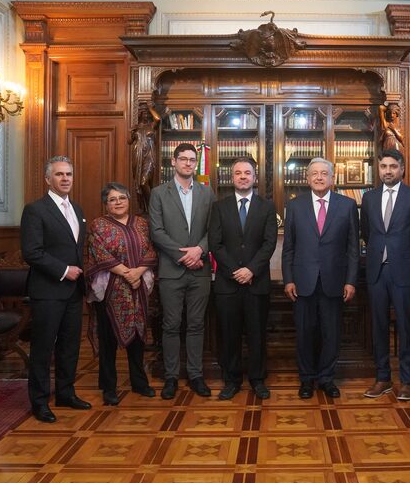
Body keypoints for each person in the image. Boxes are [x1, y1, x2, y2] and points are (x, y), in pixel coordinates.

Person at [20, 155, 90, 423]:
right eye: (59, 174)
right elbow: (32, 252)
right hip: (48, 290)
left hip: (74, 292)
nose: (65, 178)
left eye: (69, 174)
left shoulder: (78, 210)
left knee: (70, 347)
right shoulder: (35, 210)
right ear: (48, 179)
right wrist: (64, 270)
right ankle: (39, 402)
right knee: (43, 348)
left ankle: (65, 393)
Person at [282, 157, 359, 399]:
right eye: (314, 173)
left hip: (334, 281)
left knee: (331, 333)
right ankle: (306, 379)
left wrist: (351, 280)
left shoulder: (347, 206)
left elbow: (353, 248)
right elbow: (289, 248)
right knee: (305, 333)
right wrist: (288, 279)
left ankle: (326, 378)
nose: (319, 177)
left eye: (324, 173)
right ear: (307, 179)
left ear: (332, 178)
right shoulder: (295, 206)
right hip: (302, 282)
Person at [361, 149, 410, 401]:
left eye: (393, 166)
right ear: (378, 169)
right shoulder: (369, 198)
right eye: (384, 166)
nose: (388, 171)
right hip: (376, 271)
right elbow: (367, 232)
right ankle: (383, 378)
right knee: (378, 325)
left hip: (404, 272)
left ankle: (406, 380)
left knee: (406, 325)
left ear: (402, 169)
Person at [149, 142, 216, 400]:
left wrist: (199, 250)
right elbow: (156, 232)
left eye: (192, 160)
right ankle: (171, 377)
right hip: (171, 270)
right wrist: (184, 256)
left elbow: (214, 229)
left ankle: (196, 375)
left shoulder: (207, 192)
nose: (188, 163)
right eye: (183, 159)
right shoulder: (159, 193)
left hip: (200, 270)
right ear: (173, 162)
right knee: (171, 325)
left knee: (197, 324)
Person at [209, 158, 278, 400]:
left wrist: (251, 270)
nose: (242, 177)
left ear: (254, 177)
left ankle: (258, 380)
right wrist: (235, 271)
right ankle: (232, 381)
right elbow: (215, 243)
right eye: (238, 173)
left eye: (247, 173)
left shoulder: (267, 207)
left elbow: (269, 243)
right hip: (228, 284)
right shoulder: (219, 207)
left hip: (256, 283)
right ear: (232, 178)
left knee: (257, 334)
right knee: (229, 335)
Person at [85, 183, 157, 406]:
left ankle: (139, 383)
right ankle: (109, 387)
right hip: (109, 290)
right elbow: (99, 253)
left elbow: (151, 250)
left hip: (138, 289)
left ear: (128, 200)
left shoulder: (142, 224)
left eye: (122, 198)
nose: (118, 202)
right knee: (108, 340)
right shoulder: (98, 225)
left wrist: (138, 272)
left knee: (138, 337)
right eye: (112, 199)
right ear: (106, 204)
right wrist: (127, 273)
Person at [130, 101, 161, 214]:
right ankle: (142, 207)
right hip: (138, 156)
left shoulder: (152, 125)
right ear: (140, 115)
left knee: (144, 182)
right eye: (144, 113)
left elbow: (158, 119)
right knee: (138, 183)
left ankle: (151, 206)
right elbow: (129, 141)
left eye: (148, 114)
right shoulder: (137, 128)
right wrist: (131, 131)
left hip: (149, 156)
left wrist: (150, 108)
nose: (146, 115)